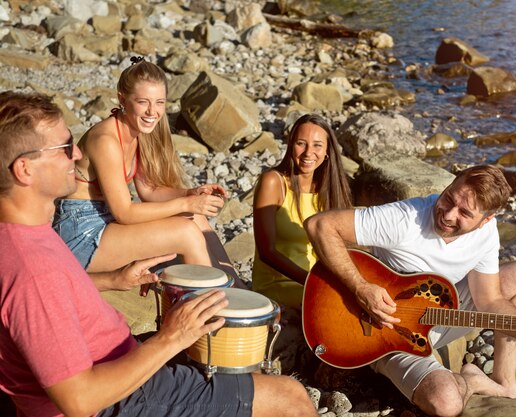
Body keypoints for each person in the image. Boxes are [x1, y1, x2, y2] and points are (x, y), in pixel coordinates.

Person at [0, 91, 318, 417]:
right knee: (288, 397)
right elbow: (78, 401)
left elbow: (41, 301)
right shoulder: (32, 267)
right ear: (24, 169)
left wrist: (112, 279)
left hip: (118, 368)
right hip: (117, 400)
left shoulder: (22, 235)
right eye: (65, 148)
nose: (78, 152)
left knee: (227, 372)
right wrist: (171, 338)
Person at [304, 164, 516, 416]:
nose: (449, 214)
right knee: (446, 403)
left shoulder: (486, 234)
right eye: (450, 198)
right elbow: (320, 226)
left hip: (438, 316)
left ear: (486, 220)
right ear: (451, 183)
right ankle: (472, 382)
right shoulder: (405, 218)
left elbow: (489, 300)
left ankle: (505, 381)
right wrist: (361, 288)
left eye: (465, 213)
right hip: (383, 331)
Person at [52, 57, 240, 284]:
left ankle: (236, 289)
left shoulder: (136, 131)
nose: (153, 111)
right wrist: (185, 203)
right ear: (122, 98)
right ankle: (217, 307)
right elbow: (125, 213)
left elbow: (149, 191)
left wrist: (190, 194)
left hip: (107, 222)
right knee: (186, 232)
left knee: (195, 216)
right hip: (82, 233)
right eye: (143, 102)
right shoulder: (105, 140)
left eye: (160, 102)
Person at [252, 114, 352, 309]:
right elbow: (267, 252)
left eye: (317, 145)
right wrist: (313, 283)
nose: (308, 153)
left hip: (314, 281)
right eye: (301, 143)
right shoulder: (273, 182)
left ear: (327, 152)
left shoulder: (330, 189)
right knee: (337, 307)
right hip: (278, 284)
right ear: (291, 145)